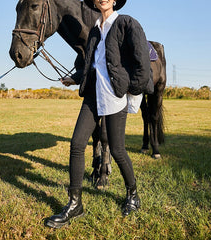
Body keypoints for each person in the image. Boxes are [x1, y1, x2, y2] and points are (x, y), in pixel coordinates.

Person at [45, 0, 153, 229]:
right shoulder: (95, 30)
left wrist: (130, 89)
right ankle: (75, 204)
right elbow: (93, 64)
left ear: (114, 1)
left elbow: (142, 61)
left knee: (117, 150)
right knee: (76, 144)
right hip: (94, 96)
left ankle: (132, 194)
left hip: (115, 96)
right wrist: (75, 78)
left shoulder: (126, 23)